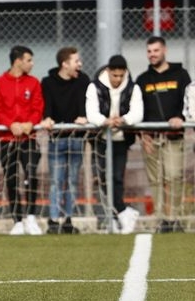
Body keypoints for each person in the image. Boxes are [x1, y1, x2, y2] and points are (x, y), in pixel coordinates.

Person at [135, 36, 191, 233]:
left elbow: (189, 101)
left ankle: (174, 217)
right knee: (155, 179)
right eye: (149, 51)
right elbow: (136, 109)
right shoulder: (142, 80)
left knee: (174, 176)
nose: (152, 54)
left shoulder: (181, 75)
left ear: (164, 50)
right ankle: (161, 219)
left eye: (156, 50)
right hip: (151, 139)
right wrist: (141, 134)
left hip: (173, 137)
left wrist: (181, 119)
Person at [85, 55, 143, 234]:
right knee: (102, 178)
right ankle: (123, 212)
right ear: (108, 71)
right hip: (101, 139)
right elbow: (91, 113)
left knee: (117, 178)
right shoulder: (95, 87)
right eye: (114, 75)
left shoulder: (133, 88)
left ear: (125, 73)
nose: (117, 79)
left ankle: (120, 215)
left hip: (121, 140)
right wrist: (105, 121)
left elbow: (138, 113)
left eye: (120, 75)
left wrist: (123, 120)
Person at [0, 45, 45, 236]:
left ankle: (31, 217)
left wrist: (30, 123)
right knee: (11, 179)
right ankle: (17, 220)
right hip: (7, 139)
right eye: (29, 60)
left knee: (31, 174)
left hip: (29, 139)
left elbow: (38, 107)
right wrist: (10, 124)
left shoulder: (34, 83)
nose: (32, 64)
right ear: (18, 61)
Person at [40, 47, 90, 235]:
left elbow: (86, 104)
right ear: (65, 64)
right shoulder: (48, 82)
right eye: (76, 61)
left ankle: (68, 219)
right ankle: (53, 220)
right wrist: (47, 118)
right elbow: (47, 107)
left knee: (72, 180)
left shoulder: (83, 80)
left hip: (76, 138)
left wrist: (84, 117)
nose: (80, 64)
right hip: (56, 138)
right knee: (55, 180)